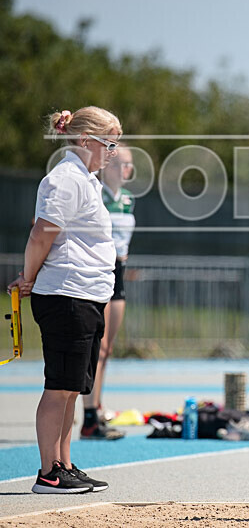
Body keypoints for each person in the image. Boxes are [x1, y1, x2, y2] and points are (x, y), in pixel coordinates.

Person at [7, 106, 121, 493]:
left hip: (86, 294)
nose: (114, 151)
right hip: (66, 293)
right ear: (85, 140)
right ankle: (48, 472)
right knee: (59, 387)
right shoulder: (66, 178)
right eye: (109, 142)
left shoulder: (86, 180)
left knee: (73, 387)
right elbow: (42, 234)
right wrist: (29, 276)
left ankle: (65, 464)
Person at [81, 145, 135, 440]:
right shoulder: (95, 193)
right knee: (96, 348)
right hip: (100, 271)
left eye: (130, 166)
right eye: (122, 164)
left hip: (120, 273)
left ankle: (97, 406)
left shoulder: (128, 199)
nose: (126, 170)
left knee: (108, 349)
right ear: (108, 166)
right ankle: (88, 417)